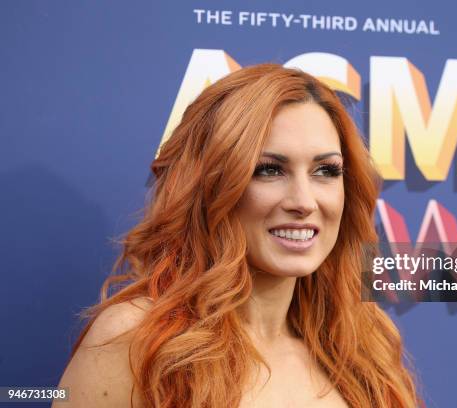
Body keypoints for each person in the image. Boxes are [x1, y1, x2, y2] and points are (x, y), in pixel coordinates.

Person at [54, 64, 420, 407]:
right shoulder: (136, 340)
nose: (304, 202)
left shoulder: (363, 348)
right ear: (210, 185)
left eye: (325, 170)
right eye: (268, 170)